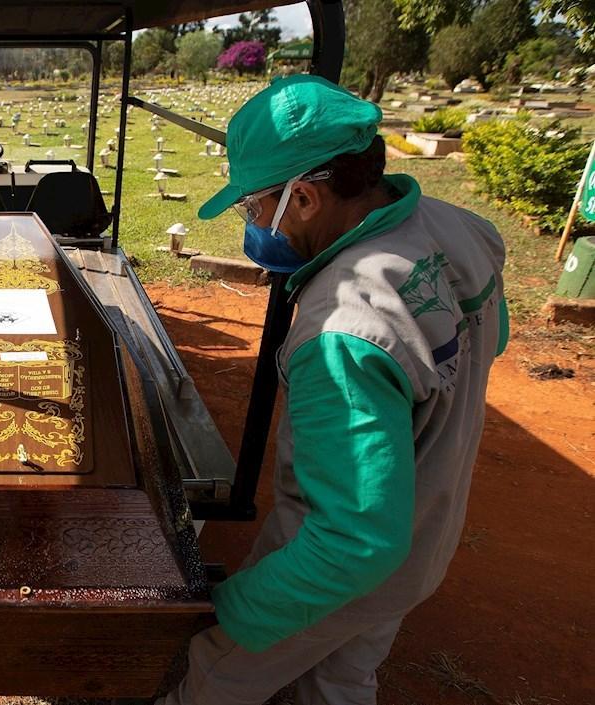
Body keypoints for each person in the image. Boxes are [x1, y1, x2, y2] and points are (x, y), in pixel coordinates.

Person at [161, 75, 508, 705]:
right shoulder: (464, 230)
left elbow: (353, 542)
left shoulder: (341, 330)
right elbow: (492, 342)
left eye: (254, 205)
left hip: (330, 575)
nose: (254, 221)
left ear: (305, 199)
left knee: (214, 678)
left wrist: (236, 605)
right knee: (341, 680)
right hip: (424, 536)